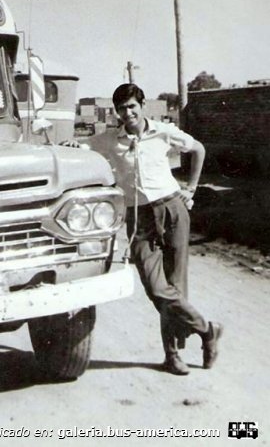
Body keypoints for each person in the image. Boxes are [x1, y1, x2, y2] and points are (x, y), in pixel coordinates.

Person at [63, 83, 222, 375]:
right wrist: (73, 145)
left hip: (172, 209)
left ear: (142, 105)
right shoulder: (110, 140)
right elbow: (82, 147)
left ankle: (172, 355)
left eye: (132, 106)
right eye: (122, 108)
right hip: (138, 218)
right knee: (157, 288)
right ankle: (207, 330)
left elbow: (198, 148)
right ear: (116, 112)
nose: (128, 113)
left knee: (175, 285)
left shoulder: (162, 132)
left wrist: (191, 188)